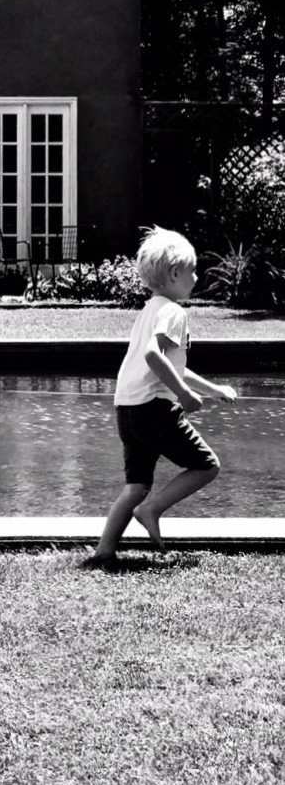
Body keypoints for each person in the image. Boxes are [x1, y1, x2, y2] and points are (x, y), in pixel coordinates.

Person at [82, 225, 237, 568]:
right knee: (207, 465)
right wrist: (183, 395)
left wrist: (213, 390)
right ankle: (152, 510)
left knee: (136, 485)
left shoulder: (149, 310)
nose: (196, 278)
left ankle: (104, 552)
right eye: (192, 271)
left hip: (127, 409)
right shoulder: (173, 312)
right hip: (154, 407)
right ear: (175, 273)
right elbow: (155, 356)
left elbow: (170, 363)